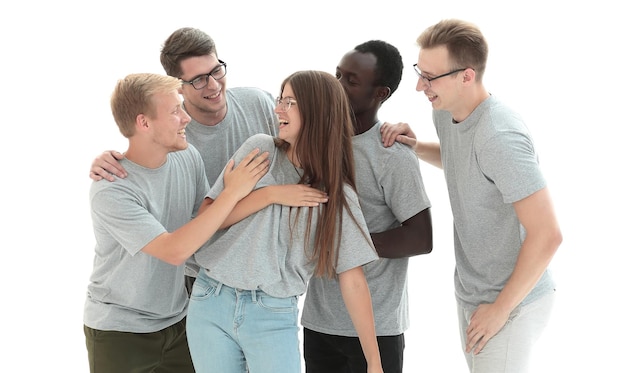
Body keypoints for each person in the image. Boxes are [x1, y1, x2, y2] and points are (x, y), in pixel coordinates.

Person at [381, 19, 562, 373]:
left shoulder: (499, 136)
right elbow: (465, 163)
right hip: (473, 293)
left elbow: (548, 234)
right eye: (421, 72)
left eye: (429, 77)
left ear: (466, 76)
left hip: (512, 301)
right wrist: (414, 147)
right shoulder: (447, 115)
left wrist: (500, 310)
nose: (419, 86)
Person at [88, 27, 326, 292]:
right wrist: (111, 161)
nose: (213, 85)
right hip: (199, 274)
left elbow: (313, 134)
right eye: (199, 80)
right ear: (176, 85)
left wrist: (378, 133)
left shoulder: (259, 104)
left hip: (265, 273)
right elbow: (143, 161)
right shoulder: (175, 138)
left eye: (216, 71)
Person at [186, 70, 384, 373]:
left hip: (272, 312)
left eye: (289, 102)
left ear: (316, 112)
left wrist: (374, 361)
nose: (278, 109)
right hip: (211, 297)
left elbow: (353, 280)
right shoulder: (260, 149)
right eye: (280, 100)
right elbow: (209, 218)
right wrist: (272, 195)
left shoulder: (335, 196)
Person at [83, 72, 270, 373]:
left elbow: (207, 221)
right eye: (175, 111)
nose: (186, 119)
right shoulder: (112, 188)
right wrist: (233, 190)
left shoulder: (187, 157)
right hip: (120, 331)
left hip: (178, 320)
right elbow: (174, 250)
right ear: (144, 123)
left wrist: (271, 195)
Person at [301, 40, 432, 373]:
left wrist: (345, 245)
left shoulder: (393, 155)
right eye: (338, 74)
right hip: (319, 321)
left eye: (351, 81)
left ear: (380, 93)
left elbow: (420, 238)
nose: (337, 85)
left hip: (377, 328)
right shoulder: (314, 143)